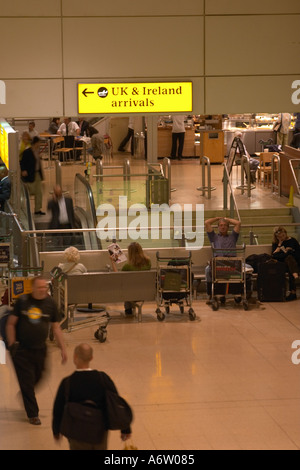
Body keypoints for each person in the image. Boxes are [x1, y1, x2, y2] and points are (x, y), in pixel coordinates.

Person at [6, 276, 67, 425]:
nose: (42, 290)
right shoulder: (23, 301)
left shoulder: (50, 303)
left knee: (40, 377)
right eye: (39, 288)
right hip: (21, 350)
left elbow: (56, 327)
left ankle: (26, 393)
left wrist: (63, 348)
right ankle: (33, 414)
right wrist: (12, 343)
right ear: (32, 288)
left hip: (40, 349)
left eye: (44, 288)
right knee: (27, 382)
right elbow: (10, 324)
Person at [52, 343, 132, 450]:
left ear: (75, 357)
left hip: (77, 433)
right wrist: (125, 428)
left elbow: (58, 409)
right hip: (99, 432)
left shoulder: (67, 383)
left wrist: (56, 431)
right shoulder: (103, 378)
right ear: (91, 358)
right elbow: (116, 405)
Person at [205, 216, 241, 301]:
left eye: (225, 225)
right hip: (219, 263)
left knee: (244, 268)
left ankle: (238, 292)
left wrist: (226, 219)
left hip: (231, 262)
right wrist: (217, 218)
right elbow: (207, 222)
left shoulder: (233, 237)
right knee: (207, 270)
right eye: (220, 225)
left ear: (228, 227)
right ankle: (210, 294)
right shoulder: (213, 237)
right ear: (218, 227)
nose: (223, 227)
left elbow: (238, 223)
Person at [110, 242, 151, 315]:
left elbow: (118, 277)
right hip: (145, 292)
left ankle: (128, 309)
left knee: (127, 287)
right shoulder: (148, 263)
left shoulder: (127, 266)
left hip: (131, 294)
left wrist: (112, 262)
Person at [271, 226, 300, 301]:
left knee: (290, 261)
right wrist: (280, 245)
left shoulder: (292, 240)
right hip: (283, 263)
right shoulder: (276, 244)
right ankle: (296, 276)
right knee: (289, 258)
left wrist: (289, 253)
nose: (282, 238)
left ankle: (293, 293)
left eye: (283, 236)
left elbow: (298, 253)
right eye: (280, 237)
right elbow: (274, 256)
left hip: (295, 261)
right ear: (277, 237)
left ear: (285, 233)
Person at [20, 136, 45, 215]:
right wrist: (23, 170)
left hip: (37, 174)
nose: (40, 144)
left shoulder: (37, 151)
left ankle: (37, 209)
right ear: (36, 143)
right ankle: (24, 209)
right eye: (39, 143)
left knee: (39, 192)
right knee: (29, 192)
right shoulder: (27, 152)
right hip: (30, 175)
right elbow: (22, 162)